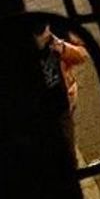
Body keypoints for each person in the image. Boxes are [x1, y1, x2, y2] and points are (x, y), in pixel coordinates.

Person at [34, 19, 89, 158]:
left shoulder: (56, 36)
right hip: (39, 110)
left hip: (62, 105)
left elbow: (82, 55)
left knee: (68, 153)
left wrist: (61, 47)